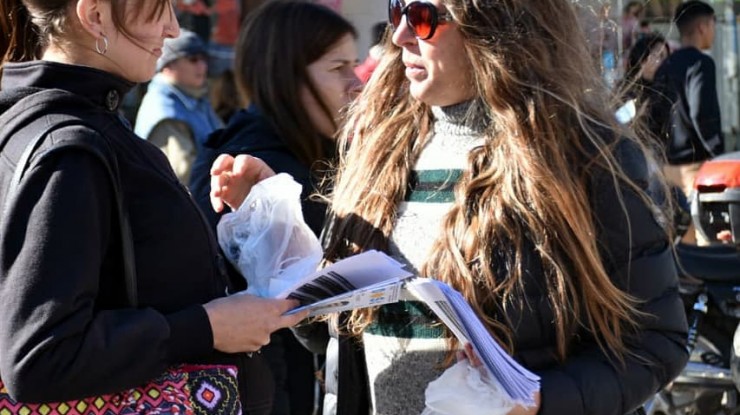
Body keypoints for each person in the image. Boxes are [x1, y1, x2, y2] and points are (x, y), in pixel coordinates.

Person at [210, 0, 690, 414]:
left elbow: (655, 344)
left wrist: (542, 399)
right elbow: (329, 336)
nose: (398, 35)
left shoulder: (583, 158)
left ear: (494, 22)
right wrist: (278, 228)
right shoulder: (376, 148)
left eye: (421, 17)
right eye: (398, 9)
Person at [0, 1, 307, 413]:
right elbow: (39, 356)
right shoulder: (71, 147)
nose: (173, 29)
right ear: (94, 14)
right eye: (159, 9)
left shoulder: (68, 127)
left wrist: (251, 217)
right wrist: (207, 327)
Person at [189, 1, 361, 414]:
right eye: (339, 68)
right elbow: (269, 332)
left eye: (353, 66)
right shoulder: (249, 174)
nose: (356, 83)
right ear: (286, 78)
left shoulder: (316, 155)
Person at [652, 0, 723, 244]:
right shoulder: (701, 64)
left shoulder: (664, 67)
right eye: (714, 24)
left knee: (679, 242)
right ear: (703, 27)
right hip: (696, 168)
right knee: (706, 240)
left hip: (666, 169)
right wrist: (718, 155)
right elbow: (702, 114)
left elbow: (654, 116)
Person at [135, 29, 223, 185]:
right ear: (168, 65)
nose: (202, 66)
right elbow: (183, 176)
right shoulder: (165, 111)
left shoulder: (194, 96)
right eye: (193, 59)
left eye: (204, 59)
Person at [615, 33, 671, 132]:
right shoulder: (625, 93)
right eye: (659, 56)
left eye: (667, 58)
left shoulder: (666, 93)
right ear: (642, 60)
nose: (665, 63)